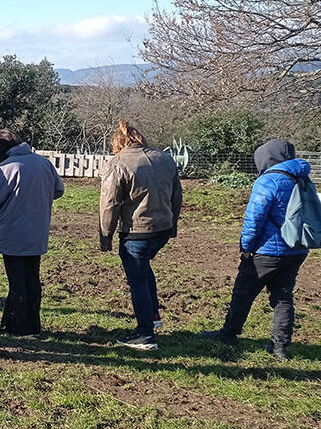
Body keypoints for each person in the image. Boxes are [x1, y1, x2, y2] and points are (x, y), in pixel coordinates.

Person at [201, 140, 312, 360]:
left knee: (244, 291)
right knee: (283, 297)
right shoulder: (304, 178)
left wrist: (246, 246)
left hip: (268, 250)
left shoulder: (267, 180)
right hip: (297, 249)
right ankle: (279, 347)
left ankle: (229, 333)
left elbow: (254, 217)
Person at [99, 120, 182, 351]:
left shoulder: (118, 163)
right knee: (144, 269)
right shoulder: (165, 159)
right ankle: (153, 315)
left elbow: (109, 204)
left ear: (117, 143)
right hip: (162, 229)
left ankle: (145, 335)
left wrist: (106, 236)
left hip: (137, 232)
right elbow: (177, 196)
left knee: (137, 281)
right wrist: (172, 225)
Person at [0, 129, 64, 337]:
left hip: (13, 232)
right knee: (32, 278)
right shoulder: (44, 163)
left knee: (16, 280)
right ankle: (32, 324)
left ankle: (19, 327)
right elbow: (58, 190)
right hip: (38, 230)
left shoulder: (5, 168)